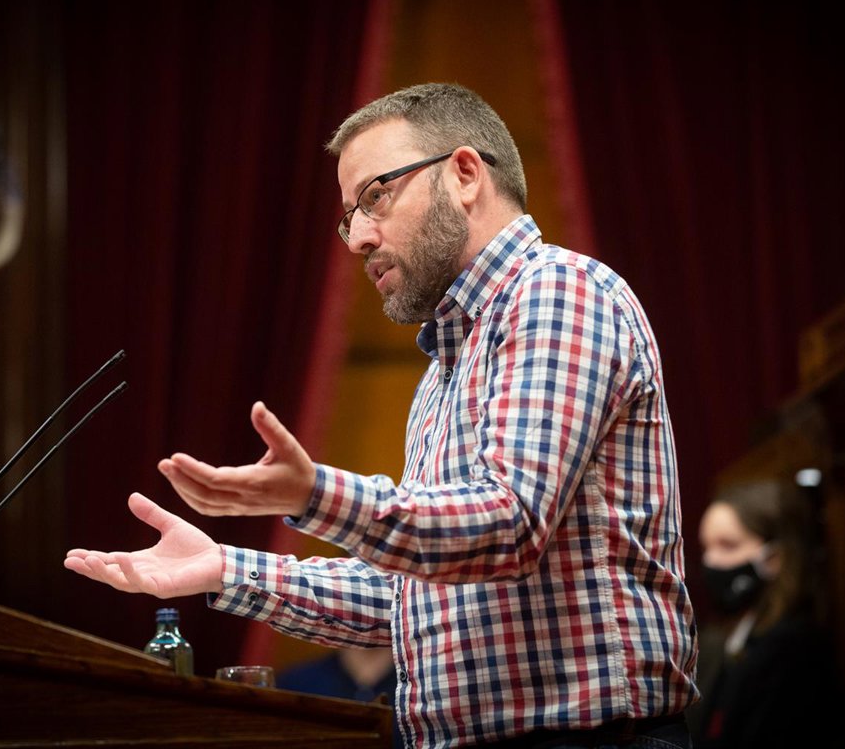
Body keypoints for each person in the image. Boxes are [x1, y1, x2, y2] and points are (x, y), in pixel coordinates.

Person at [65, 83, 698, 748]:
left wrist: (315, 495)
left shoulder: (557, 292)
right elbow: (410, 598)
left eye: (375, 197)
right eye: (349, 217)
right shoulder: (443, 370)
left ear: (464, 173)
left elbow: (509, 523)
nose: (358, 238)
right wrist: (225, 569)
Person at [688, 479, 840, 748]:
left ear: (774, 557)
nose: (710, 561)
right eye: (705, 548)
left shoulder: (792, 647)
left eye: (728, 545)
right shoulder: (731, 636)